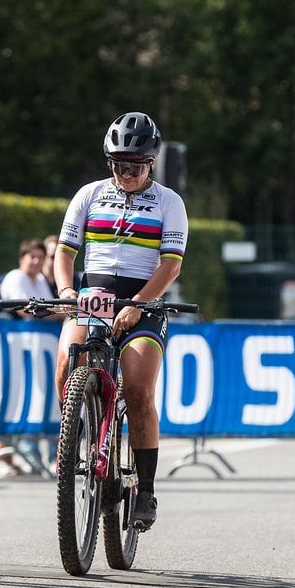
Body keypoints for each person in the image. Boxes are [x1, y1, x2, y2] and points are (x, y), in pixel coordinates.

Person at [53, 112, 188, 531]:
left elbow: (171, 266)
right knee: (65, 364)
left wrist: (139, 304)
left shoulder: (169, 202)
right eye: (117, 164)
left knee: (138, 387)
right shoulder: (89, 195)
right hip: (94, 297)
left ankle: (144, 489)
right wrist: (65, 292)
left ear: (151, 163)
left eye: (134, 166)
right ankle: (82, 439)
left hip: (144, 303)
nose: (125, 174)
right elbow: (64, 252)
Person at [0, 238, 59, 470]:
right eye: (31, 257)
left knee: (46, 398)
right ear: (21, 258)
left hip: (42, 350)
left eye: (40, 257)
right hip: (20, 349)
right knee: (26, 397)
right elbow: (28, 311)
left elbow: (46, 308)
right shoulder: (16, 278)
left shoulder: (40, 281)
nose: (36, 261)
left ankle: (46, 452)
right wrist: (59, 314)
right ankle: (25, 449)